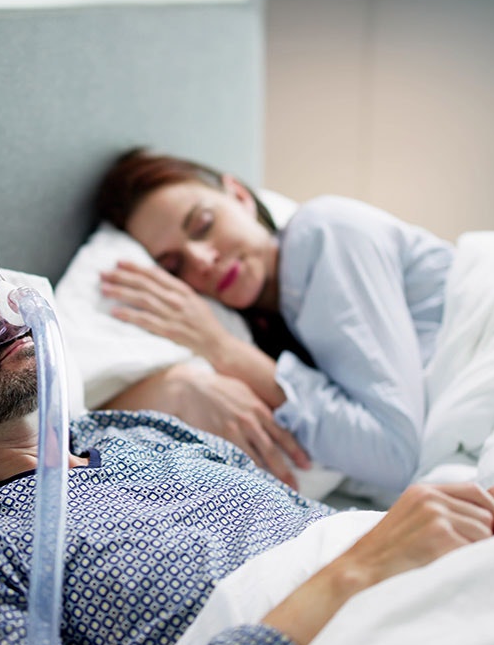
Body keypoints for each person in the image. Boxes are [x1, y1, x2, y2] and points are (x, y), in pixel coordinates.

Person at [0, 206, 494, 645]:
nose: (3, 306)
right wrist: (356, 573)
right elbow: (359, 561)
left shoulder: (139, 433)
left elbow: (331, 535)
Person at [94, 148, 456, 496]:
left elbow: (394, 452)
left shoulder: (322, 233)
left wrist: (222, 348)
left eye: (203, 225)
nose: (201, 260)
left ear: (239, 196)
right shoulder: (267, 323)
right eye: (174, 266)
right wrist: (179, 383)